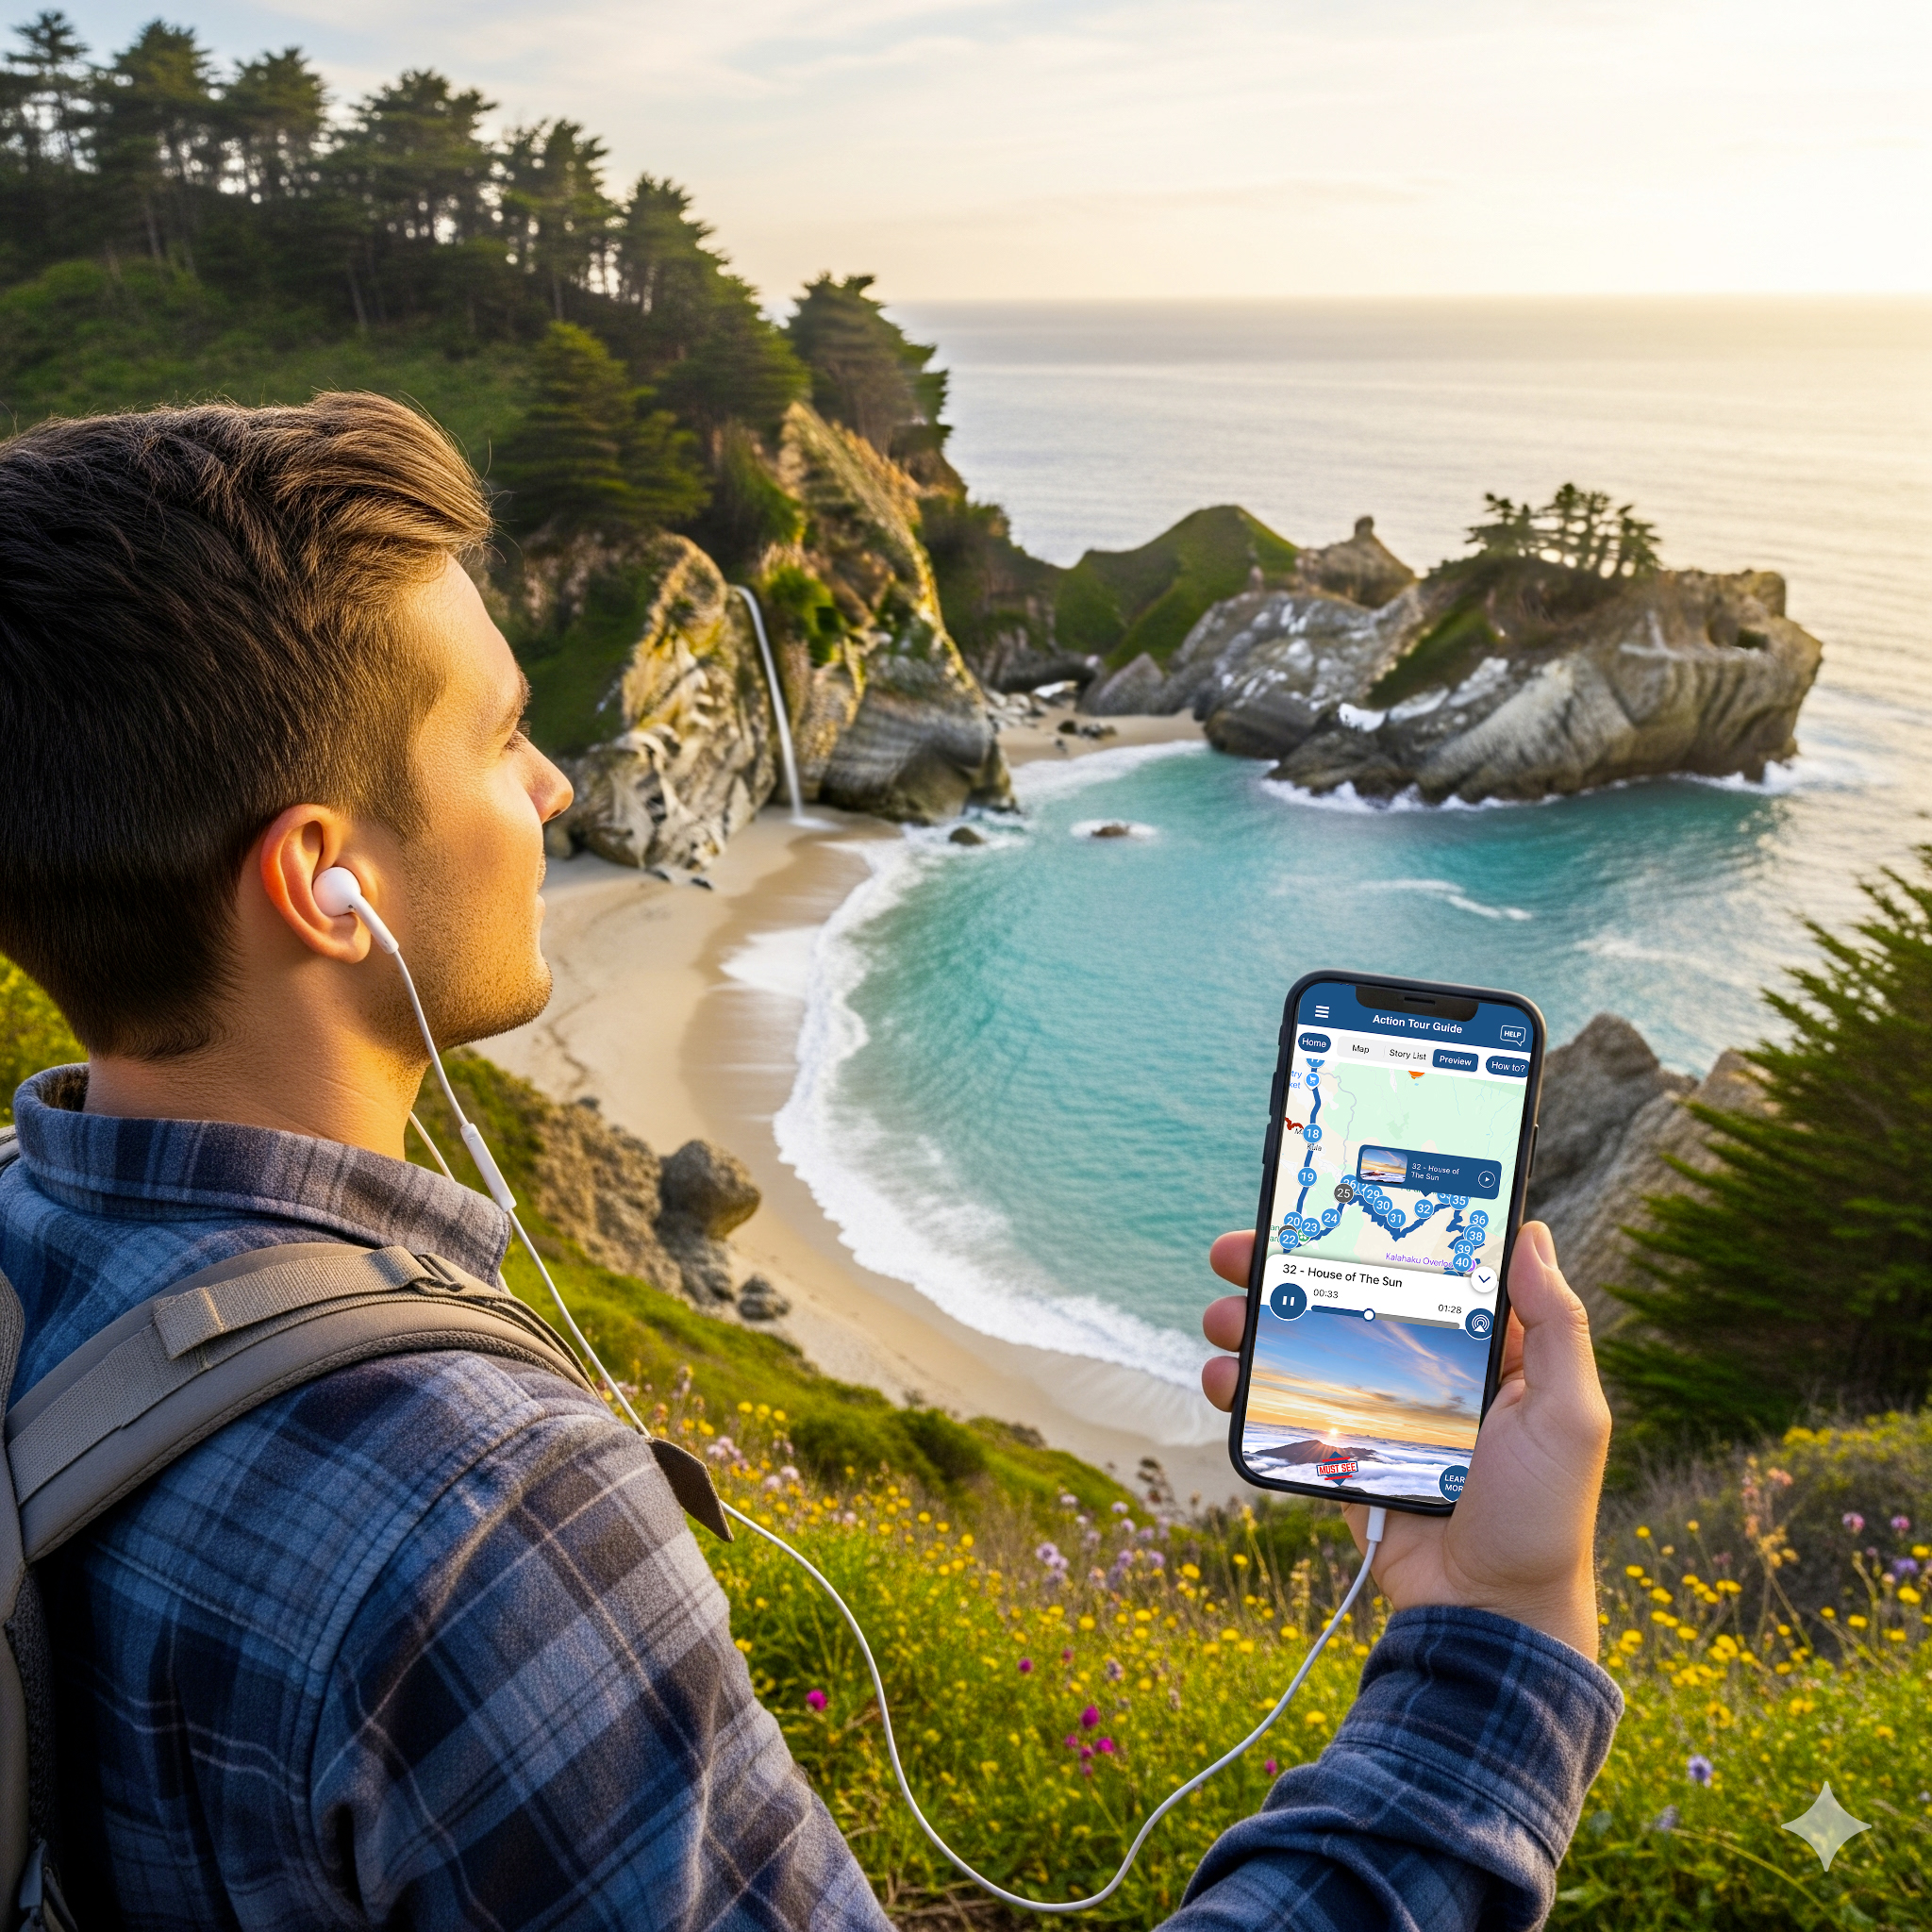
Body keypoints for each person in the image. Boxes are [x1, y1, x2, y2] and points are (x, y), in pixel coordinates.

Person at [0, 396, 1620, 1930]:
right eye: (501, 738)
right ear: (326, 884)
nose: (558, 786)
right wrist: (1493, 1634)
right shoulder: (479, 1517)